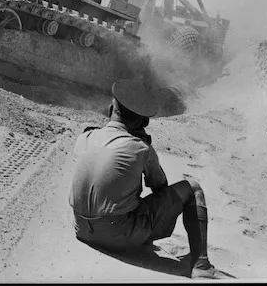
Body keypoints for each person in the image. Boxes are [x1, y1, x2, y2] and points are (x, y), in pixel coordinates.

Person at [68, 79, 228, 279]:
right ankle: (201, 265)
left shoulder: (85, 138)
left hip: (82, 230)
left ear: (111, 109)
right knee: (192, 188)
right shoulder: (140, 148)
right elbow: (160, 188)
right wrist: (145, 148)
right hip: (117, 237)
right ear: (142, 123)